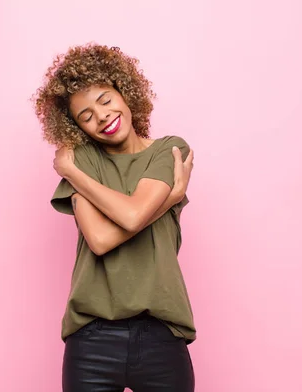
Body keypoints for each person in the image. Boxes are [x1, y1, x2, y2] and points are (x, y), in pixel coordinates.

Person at [33, 43, 196, 392]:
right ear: (77, 128)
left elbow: (134, 215)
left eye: (105, 100)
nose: (101, 116)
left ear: (125, 92)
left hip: (162, 335)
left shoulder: (169, 149)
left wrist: (72, 174)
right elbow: (101, 240)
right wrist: (170, 199)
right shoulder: (85, 161)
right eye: (85, 116)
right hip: (92, 340)